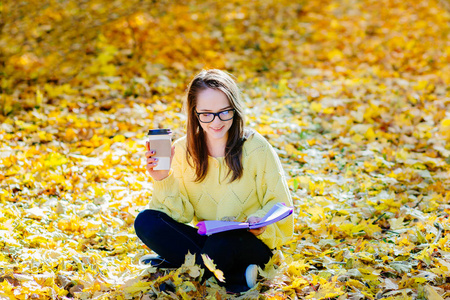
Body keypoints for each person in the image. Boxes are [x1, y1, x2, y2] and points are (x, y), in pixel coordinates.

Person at [134, 69, 294, 293]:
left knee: (222, 243)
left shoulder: (256, 147)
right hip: (207, 241)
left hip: (247, 242)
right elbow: (178, 217)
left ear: (235, 110)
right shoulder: (182, 150)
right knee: (145, 221)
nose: (216, 121)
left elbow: (281, 205)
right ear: (194, 112)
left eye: (224, 112)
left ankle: (181, 268)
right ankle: (237, 276)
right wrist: (162, 179)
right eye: (206, 114)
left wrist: (262, 224)